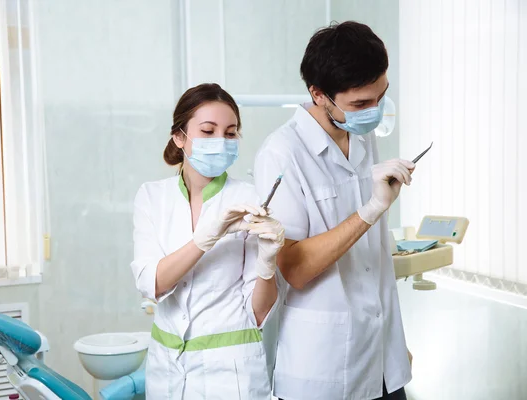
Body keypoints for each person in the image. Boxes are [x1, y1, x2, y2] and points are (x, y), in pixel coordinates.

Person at [254, 22, 413, 400]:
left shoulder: (361, 133)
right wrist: (371, 210)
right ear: (319, 94)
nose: (373, 112)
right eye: (360, 104)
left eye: (381, 97)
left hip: (384, 360)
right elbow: (294, 268)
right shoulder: (281, 153)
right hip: (325, 367)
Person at [131, 83, 284, 399]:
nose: (221, 141)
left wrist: (268, 263)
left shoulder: (250, 199)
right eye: (208, 131)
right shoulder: (151, 197)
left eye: (230, 134)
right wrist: (204, 239)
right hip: (166, 369)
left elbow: (258, 313)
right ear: (179, 137)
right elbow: (152, 283)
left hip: (231, 375)